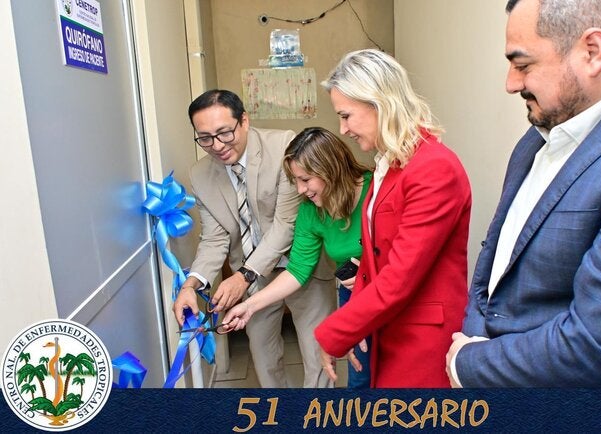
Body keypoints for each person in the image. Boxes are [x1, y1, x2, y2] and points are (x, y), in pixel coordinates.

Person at [446, 0, 601, 387]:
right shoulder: (540, 134)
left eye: (523, 65)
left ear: (593, 51)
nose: (511, 83)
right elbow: (495, 260)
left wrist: (467, 363)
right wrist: (474, 336)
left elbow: (596, 345)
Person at [314, 49, 472, 388]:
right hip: (392, 328)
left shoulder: (433, 168)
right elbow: (374, 262)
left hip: (423, 341)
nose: (343, 129)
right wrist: (356, 322)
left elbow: (399, 277)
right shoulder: (391, 165)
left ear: (378, 103)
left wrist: (335, 332)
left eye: (346, 116)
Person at [172, 89, 336, 388]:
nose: (217, 145)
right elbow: (214, 239)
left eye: (225, 133)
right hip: (253, 277)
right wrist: (190, 286)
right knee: (263, 355)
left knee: (318, 356)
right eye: (205, 138)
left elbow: (286, 224)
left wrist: (243, 277)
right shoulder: (200, 174)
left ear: (244, 121)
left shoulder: (284, 147)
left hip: (302, 265)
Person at [222, 126, 373, 387]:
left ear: (330, 169)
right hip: (355, 296)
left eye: (306, 179)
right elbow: (298, 269)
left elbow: (405, 254)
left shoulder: (376, 190)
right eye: (296, 181)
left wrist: (370, 273)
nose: (301, 190)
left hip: (391, 290)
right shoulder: (311, 211)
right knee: (360, 376)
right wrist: (249, 306)